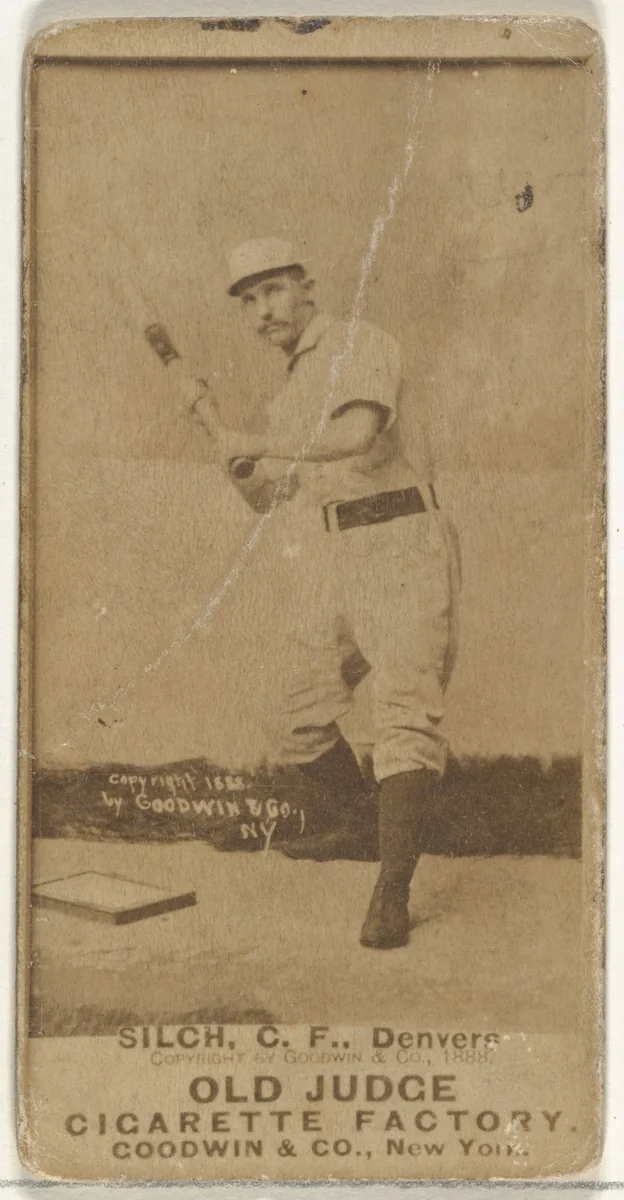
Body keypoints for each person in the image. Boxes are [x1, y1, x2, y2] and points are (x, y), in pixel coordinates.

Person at [189, 237, 460, 950]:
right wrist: (229, 453)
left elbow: (356, 433)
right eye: (247, 301)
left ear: (308, 288)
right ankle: (356, 829)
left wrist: (263, 440)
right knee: (294, 708)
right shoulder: (285, 396)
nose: (261, 311)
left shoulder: (358, 343)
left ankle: (391, 894)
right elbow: (268, 498)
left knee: (404, 716)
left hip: (403, 540)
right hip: (339, 555)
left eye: (272, 291)